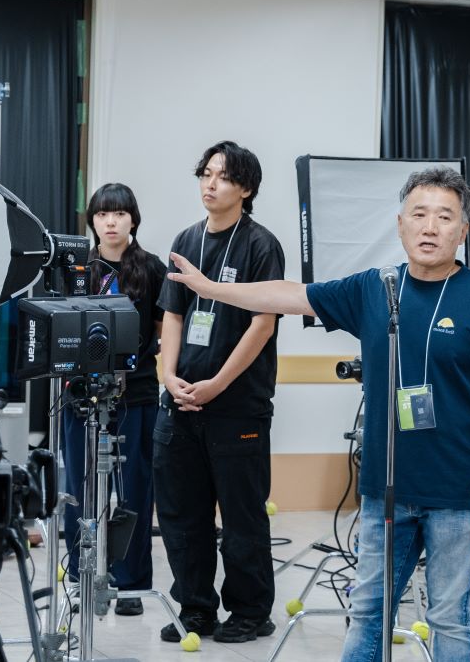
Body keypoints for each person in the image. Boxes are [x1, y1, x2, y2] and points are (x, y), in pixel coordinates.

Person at [166, 166, 470, 661]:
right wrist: (213, 291)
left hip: (459, 494)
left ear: (462, 232)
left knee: (449, 616)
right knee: (368, 611)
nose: (429, 227)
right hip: (385, 490)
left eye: (444, 217)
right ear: (400, 224)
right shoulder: (375, 289)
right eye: (419, 215)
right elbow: (291, 294)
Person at [154, 140, 285, 644]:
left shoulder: (261, 245)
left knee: (242, 515)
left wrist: (216, 386)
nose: (211, 184)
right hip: (180, 402)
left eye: (224, 176)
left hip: (236, 406)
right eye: (206, 173)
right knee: (182, 516)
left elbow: (262, 325)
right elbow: (173, 315)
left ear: (246, 188)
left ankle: (251, 612)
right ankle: (196, 608)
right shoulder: (186, 239)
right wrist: (169, 376)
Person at [61, 182, 166, 616]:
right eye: (103, 214)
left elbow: (164, 329)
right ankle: (81, 576)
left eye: (119, 213)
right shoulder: (76, 269)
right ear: (92, 221)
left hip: (136, 396)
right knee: (80, 489)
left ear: (133, 220)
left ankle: (131, 583)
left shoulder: (152, 268)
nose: (111, 222)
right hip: (81, 399)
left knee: (135, 491)